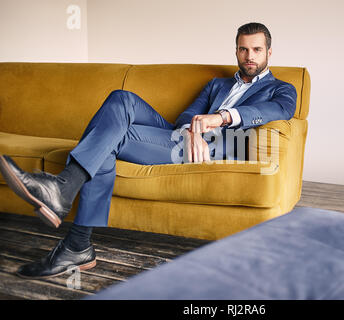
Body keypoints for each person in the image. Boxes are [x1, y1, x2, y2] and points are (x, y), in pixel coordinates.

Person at [0, 22, 297, 279]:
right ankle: (71, 226)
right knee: (121, 99)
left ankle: (72, 226)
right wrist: (193, 127)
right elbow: (186, 115)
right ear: (236, 51)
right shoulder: (216, 84)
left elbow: (275, 109)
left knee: (108, 140)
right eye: (243, 49)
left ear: (269, 53)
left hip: (212, 148)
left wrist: (220, 118)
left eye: (256, 50)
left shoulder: (281, 89)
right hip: (180, 137)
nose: (249, 56)